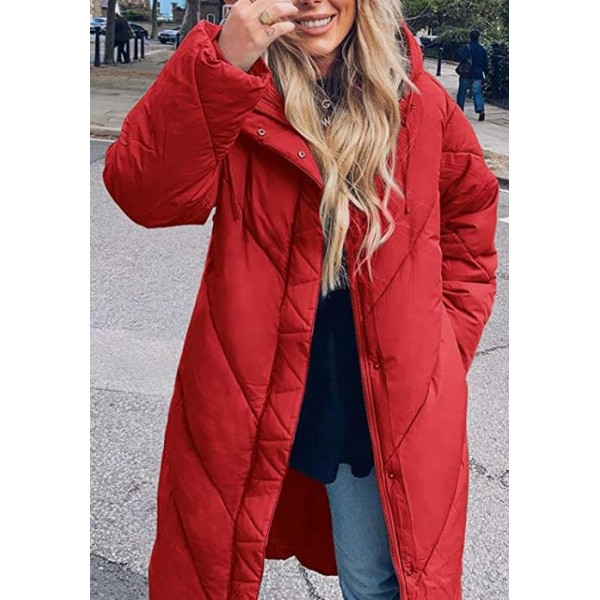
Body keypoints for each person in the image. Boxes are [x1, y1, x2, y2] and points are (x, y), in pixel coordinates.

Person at [102, 1, 499, 598]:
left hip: (379, 406)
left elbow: (471, 222)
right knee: (211, 572)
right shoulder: (242, 84)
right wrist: (222, 63)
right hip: (248, 391)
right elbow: (146, 194)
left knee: (383, 581)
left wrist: (441, 349)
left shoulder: (416, 97)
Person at [456, 29, 489, 121]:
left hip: (466, 73)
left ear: (470, 37)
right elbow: (485, 64)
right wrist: (486, 73)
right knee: (477, 92)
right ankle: (480, 109)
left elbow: (461, 58)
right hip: (477, 73)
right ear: (478, 37)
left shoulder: (466, 48)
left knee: (462, 92)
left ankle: (459, 110)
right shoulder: (482, 49)